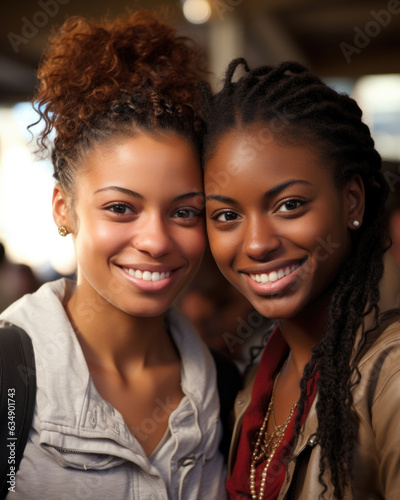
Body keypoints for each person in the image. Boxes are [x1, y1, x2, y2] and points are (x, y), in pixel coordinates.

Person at [0, 12, 227, 499]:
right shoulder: (8, 379)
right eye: (121, 208)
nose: (157, 240)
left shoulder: (226, 389)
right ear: (64, 209)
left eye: (185, 212)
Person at [200, 58, 400, 499]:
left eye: (289, 205)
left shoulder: (391, 379)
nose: (256, 244)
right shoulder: (254, 384)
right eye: (227, 215)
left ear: (351, 201)